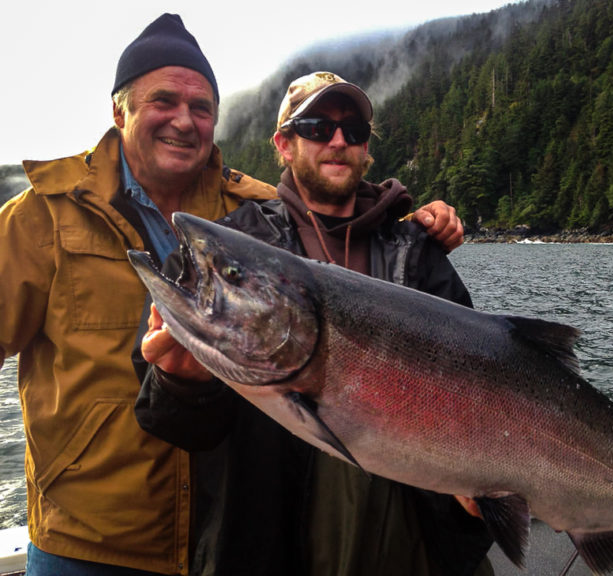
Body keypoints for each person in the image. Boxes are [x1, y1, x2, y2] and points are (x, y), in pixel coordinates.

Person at [0, 14, 461, 576]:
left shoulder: (248, 218)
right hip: (92, 539)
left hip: (216, 534)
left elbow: (335, 219)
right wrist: (176, 381)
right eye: (162, 101)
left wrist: (417, 225)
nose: (183, 121)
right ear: (118, 110)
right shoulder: (45, 216)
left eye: (201, 108)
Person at [135, 71, 494, 576]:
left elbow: (483, 378)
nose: (339, 140)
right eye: (318, 126)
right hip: (277, 546)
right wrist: (180, 383)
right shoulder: (231, 249)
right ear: (283, 143)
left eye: (355, 131)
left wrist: (482, 475)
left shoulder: (417, 252)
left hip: (421, 544)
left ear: (366, 148)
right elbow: (173, 426)